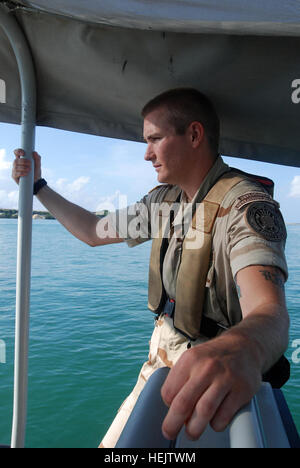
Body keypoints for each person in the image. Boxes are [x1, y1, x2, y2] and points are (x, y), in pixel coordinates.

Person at [12, 88, 290, 448]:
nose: (146, 154)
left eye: (155, 139)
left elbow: (270, 312)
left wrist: (245, 348)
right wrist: (38, 186)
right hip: (159, 358)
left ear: (193, 135)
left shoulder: (246, 206)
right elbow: (93, 232)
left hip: (211, 369)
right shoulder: (164, 202)